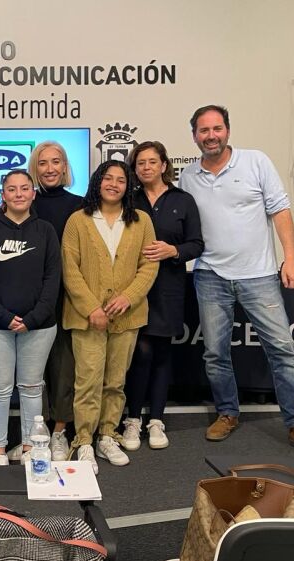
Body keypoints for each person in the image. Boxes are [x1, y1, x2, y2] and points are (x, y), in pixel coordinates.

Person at [179, 105, 294, 459]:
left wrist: (290, 258)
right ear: (194, 136)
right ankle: (227, 413)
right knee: (215, 353)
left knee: (282, 351)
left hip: (259, 275)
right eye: (204, 130)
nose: (211, 135)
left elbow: (279, 209)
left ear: (227, 130)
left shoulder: (256, 162)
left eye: (217, 128)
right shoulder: (188, 176)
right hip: (210, 276)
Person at [62, 161, 158, 474]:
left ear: (127, 186)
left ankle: (107, 435)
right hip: (86, 317)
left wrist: (127, 298)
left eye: (120, 180)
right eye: (108, 178)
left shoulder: (141, 221)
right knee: (87, 381)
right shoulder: (78, 220)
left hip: (127, 317)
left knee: (115, 382)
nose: (113, 184)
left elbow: (148, 265)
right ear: (97, 182)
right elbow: (70, 268)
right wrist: (91, 307)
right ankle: (85, 440)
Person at [0, 170, 61, 485]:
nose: (19, 193)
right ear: (3, 195)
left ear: (33, 194)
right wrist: (4, 317)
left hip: (39, 326)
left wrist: (33, 318)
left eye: (25, 188)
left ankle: (28, 448)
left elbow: (53, 280)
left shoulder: (46, 231)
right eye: (12, 189)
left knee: (32, 387)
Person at [121, 142, 204, 452]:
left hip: (169, 286)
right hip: (133, 288)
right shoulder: (129, 199)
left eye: (152, 162)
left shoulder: (183, 201)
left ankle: (156, 419)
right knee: (138, 354)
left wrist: (175, 251)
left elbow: (197, 244)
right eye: (140, 163)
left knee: (162, 354)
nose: (145, 167)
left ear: (164, 165)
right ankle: (132, 419)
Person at [28, 141, 83, 461]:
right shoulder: (24, 202)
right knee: (32, 371)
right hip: (29, 300)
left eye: (56, 162)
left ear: (64, 168)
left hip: (66, 297)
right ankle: (35, 433)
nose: (49, 168)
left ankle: (60, 431)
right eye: (43, 163)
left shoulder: (80, 205)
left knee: (63, 367)